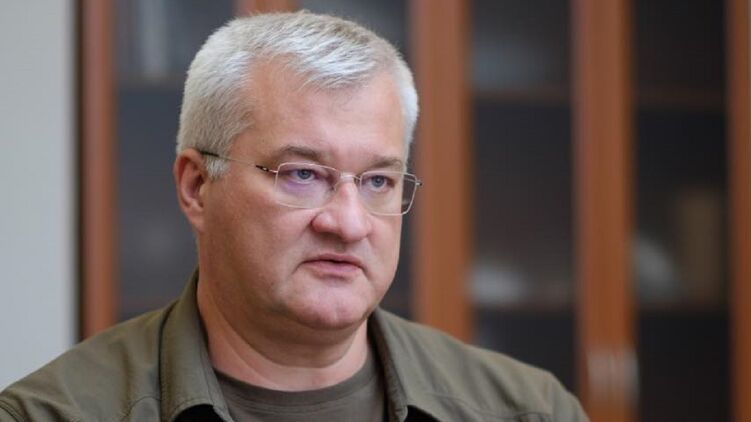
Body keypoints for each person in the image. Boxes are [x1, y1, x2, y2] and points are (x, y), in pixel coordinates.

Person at [0, 11, 587, 421]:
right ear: (197, 187)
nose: (350, 224)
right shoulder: (51, 414)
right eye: (302, 174)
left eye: (378, 181)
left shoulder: (528, 410)